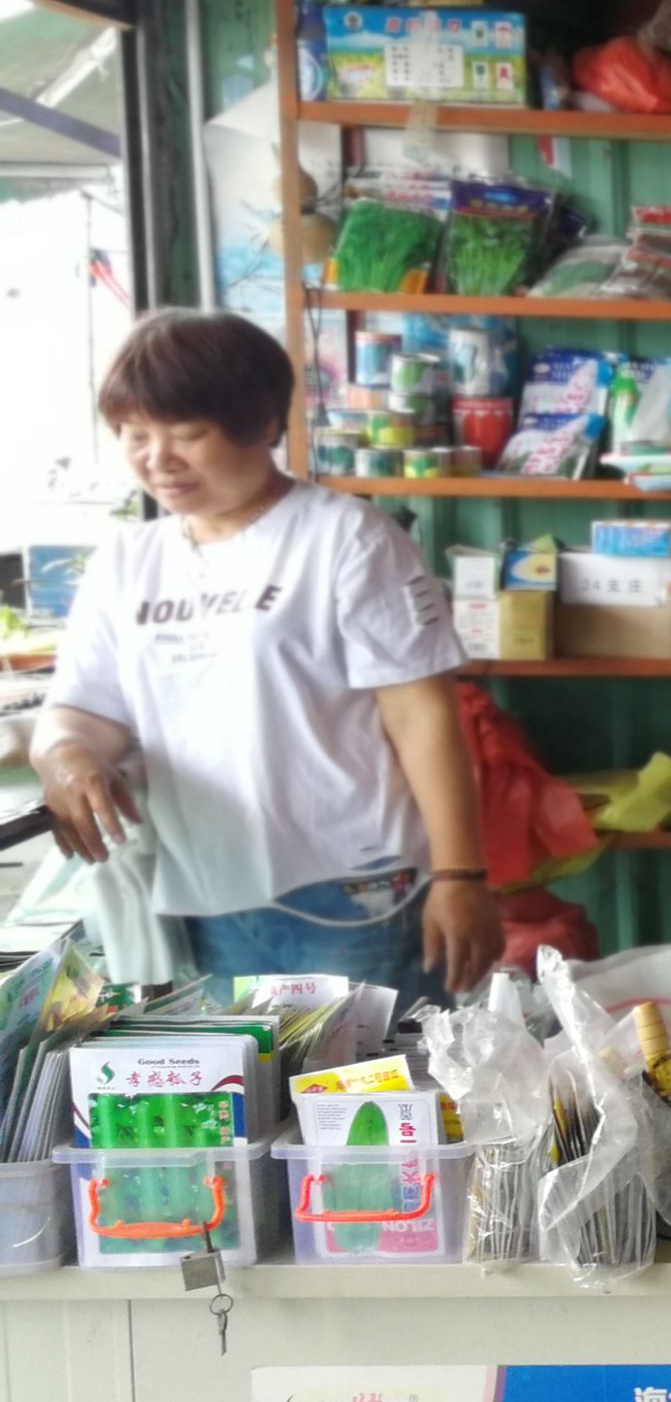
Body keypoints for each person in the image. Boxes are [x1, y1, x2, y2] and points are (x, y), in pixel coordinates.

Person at [33, 309, 501, 1006]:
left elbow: (422, 716)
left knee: (374, 1074)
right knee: (246, 1078)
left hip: (358, 889)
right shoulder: (128, 561)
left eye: (187, 433)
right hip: (207, 891)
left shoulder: (346, 537)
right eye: (134, 434)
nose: (158, 458)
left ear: (261, 424)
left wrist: (461, 876)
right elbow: (83, 707)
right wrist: (66, 756)